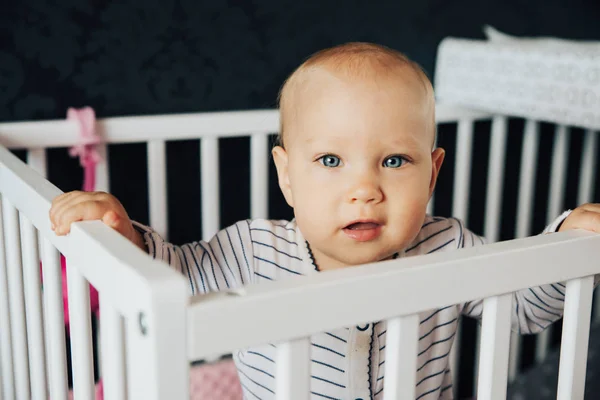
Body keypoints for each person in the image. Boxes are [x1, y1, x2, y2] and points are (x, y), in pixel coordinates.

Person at [49, 42, 600, 399]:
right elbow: (169, 273)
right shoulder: (254, 250)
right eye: (331, 161)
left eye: (394, 160)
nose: (364, 189)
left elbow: (526, 307)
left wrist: (566, 239)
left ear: (432, 175)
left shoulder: (446, 244)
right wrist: (120, 234)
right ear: (287, 177)